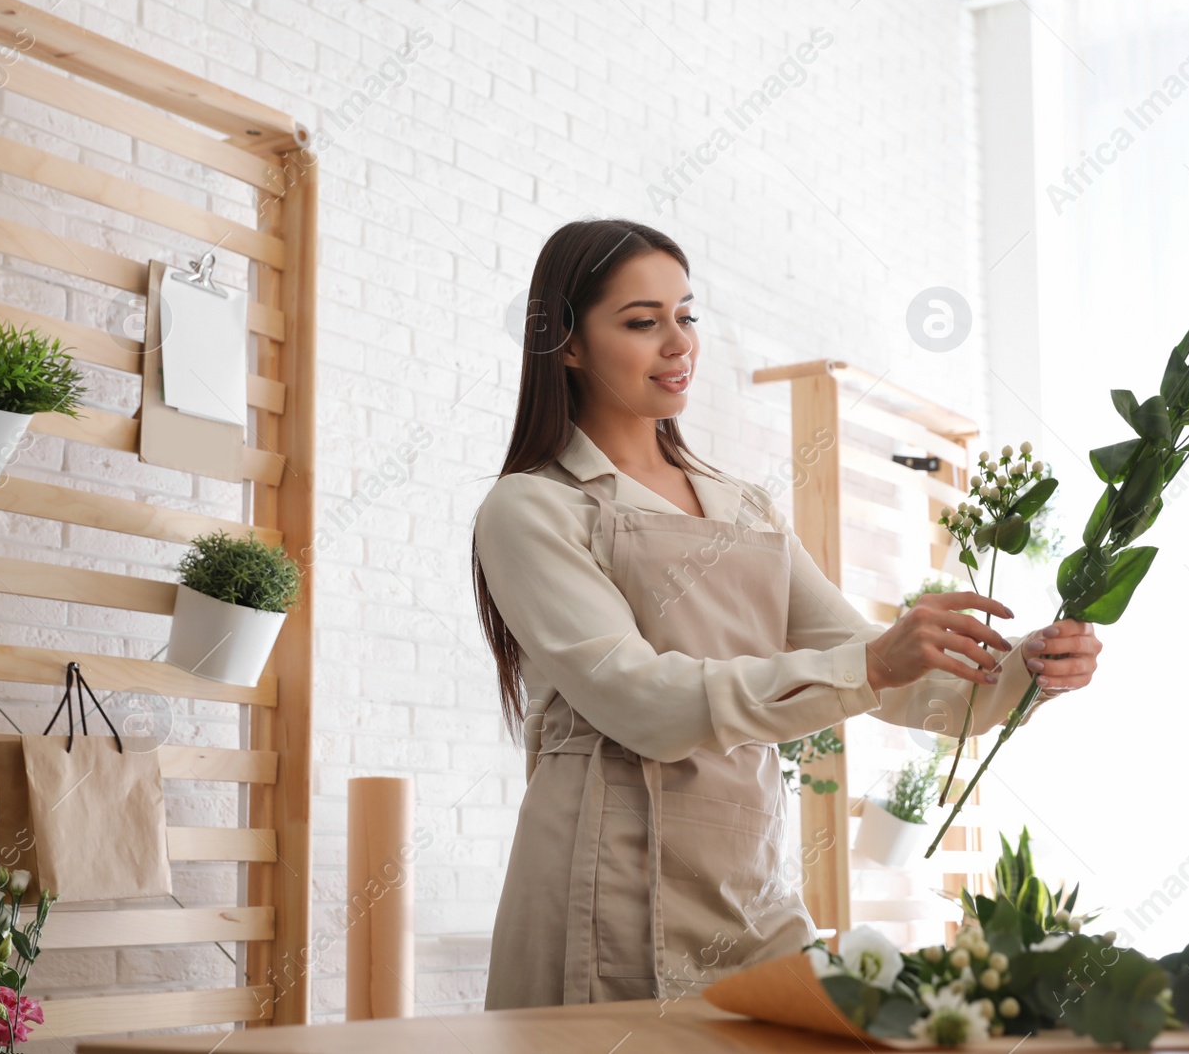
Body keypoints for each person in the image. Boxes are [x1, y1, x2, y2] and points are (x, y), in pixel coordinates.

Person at [471, 218, 1102, 1009]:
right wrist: (871, 663)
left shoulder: (746, 509)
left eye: (686, 315)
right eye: (642, 322)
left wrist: (1024, 669)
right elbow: (641, 700)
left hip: (749, 875)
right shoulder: (533, 508)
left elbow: (889, 675)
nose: (679, 343)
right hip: (603, 876)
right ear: (566, 343)